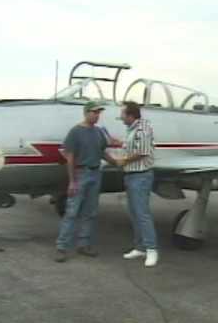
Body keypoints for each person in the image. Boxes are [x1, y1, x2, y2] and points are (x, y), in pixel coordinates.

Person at [55, 101, 118, 262]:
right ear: (86, 113)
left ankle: (83, 244)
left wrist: (116, 162)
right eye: (94, 112)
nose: (97, 115)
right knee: (72, 212)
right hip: (80, 174)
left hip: (96, 174)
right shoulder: (75, 132)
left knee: (90, 212)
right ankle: (61, 247)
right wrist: (72, 181)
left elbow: (102, 152)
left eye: (99, 113)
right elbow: (70, 158)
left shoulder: (98, 132)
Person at [117, 101, 158, 267]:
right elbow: (132, 146)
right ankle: (140, 247)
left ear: (130, 115)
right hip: (131, 175)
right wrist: (118, 143)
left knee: (142, 214)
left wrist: (123, 160)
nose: (120, 117)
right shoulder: (132, 129)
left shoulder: (143, 129)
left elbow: (142, 152)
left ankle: (152, 249)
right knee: (134, 213)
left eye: (122, 114)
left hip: (140, 176)